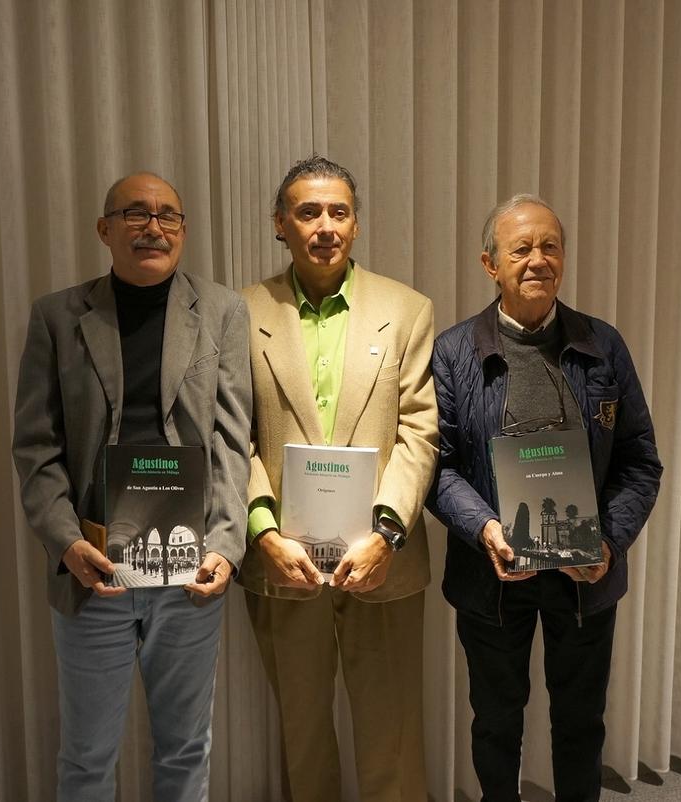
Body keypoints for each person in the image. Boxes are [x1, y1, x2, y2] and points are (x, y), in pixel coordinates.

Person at [11, 172, 251, 801]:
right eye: (136, 213)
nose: (153, 226)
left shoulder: (223, 311)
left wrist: (226, 546)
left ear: (183, 230)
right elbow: (37, 448)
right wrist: (65, 543)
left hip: (191, 566)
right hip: (95, 569)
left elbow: (232, 442)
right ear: (105, 229)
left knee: (186, 749)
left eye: (168, 215)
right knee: (88, 756)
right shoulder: (58, 317)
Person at [427, 194, 663, 802]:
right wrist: (485, 529)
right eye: (521, 248)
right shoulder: (454, 353)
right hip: (493, 573)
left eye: (550, 246)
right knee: (496, 722)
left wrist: (608, 542)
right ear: (490, 264)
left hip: (587, 575)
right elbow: (438, 467)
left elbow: (640, 461)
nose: (539, 259)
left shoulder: (603, 345)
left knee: (581, 724)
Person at [238, 155, 438, 801]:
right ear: (279, 224)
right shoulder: (238, 312)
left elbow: (419, 432)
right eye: (308, 212)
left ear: (355, 224)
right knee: (302, 731)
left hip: (382, 557)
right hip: (282, 559)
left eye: (339, 212)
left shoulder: (407, 309)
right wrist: (265, 532)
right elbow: (231, 437)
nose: (325, 226)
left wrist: (386, 533)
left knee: (393, 732)